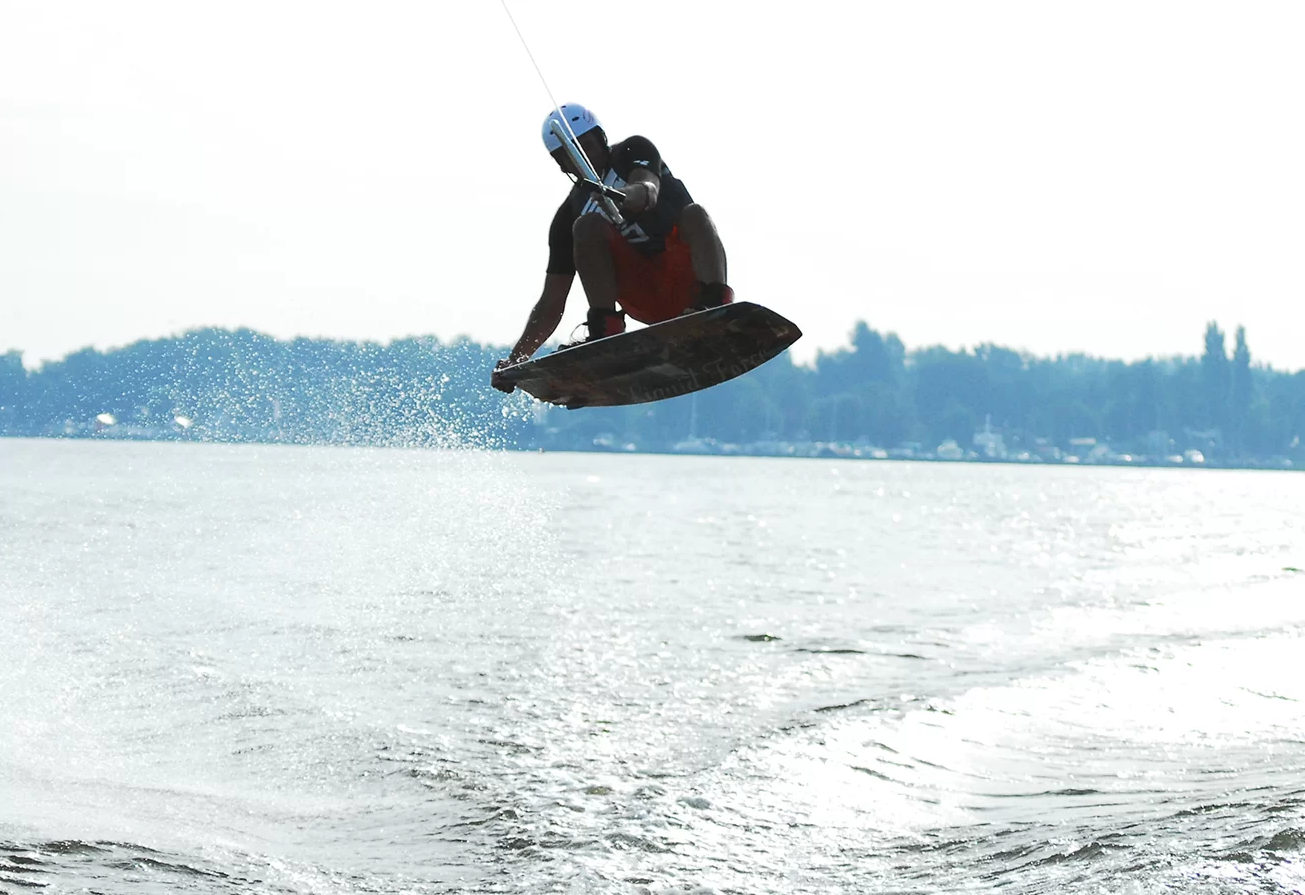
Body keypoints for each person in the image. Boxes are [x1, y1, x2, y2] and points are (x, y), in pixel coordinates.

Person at [491, 104, 732, 393]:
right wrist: (516, 361)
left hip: (686, 283)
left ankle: (715, 307)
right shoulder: (570, 214)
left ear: (602, 139)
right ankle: (605, 330)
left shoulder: (633, 151)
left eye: (588, 147)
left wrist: (625, 197)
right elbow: (551, 302)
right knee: (586, 226)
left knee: (696, 214)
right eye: (570, 156)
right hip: (642, 296)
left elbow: (648, 190)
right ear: (562, 165)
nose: (583, 159)